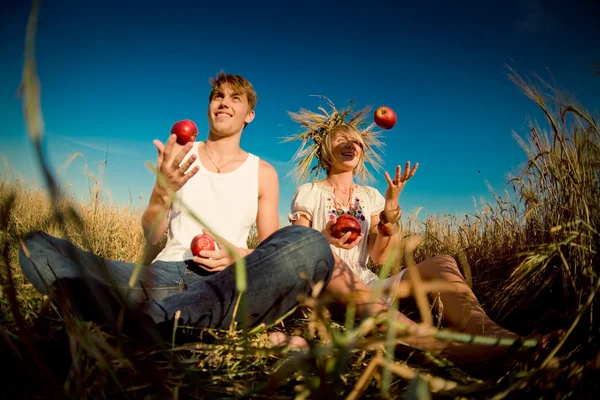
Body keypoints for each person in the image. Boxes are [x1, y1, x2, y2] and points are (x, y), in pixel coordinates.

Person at [18, 71, 336, 341]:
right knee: (35, 245)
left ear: (249, 115)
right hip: (160, 276)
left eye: (235, 98)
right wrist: (162, 189)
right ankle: (164, 319)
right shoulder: (181, 155)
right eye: (218, 96)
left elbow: (270, 251)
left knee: (309, 243)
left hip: (222, 283)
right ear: (210, 106)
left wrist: (236, 255)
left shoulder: (263, 172)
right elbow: (152, 235)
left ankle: (131, 317)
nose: (224, 102)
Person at [285, 100, 560, 364]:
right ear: (324, 152)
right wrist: (323, 237)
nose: (350, 144)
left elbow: (379, 258)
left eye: (356, 141)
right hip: (327, 289)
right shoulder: (309, 193)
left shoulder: (369, 196)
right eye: (340, 140)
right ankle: (459, 353)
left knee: (443, 262)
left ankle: (497, 337)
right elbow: (296, 249)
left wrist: (389, 215)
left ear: (362, 153)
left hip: (366, 284)